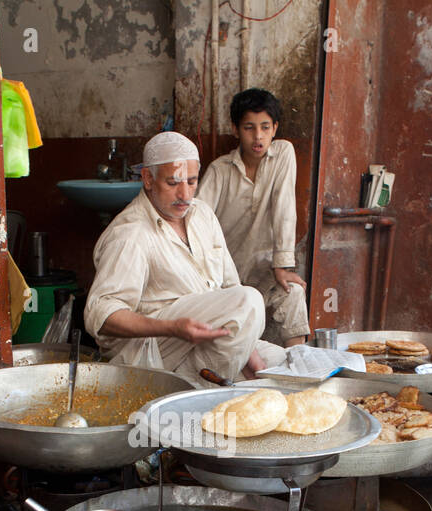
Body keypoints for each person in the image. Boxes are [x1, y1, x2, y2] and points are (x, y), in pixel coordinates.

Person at [84, 131, 284, 387]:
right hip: (151, 356)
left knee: (284, 363)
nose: (185, 194)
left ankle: (206, 385)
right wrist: (171, 327)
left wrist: (247, 351)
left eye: (191, 182)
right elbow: (101, 314)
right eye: (173, 183)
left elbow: (230, 288)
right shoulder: (130, 234)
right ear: (147, 178)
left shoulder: (202, 214)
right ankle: (192, 396)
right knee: (250, 299)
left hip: (202, 344)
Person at [197, 88, 310, 347]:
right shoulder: (219, 170)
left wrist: (282, 264)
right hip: (225, 276)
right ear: (236, 130)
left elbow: (284, 206)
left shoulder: (283, 154)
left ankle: (301, 371)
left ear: (275, 129)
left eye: (265, 127)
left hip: (265, 271)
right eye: (249, 128)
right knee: (232, 342)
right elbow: (197, 222)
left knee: (293, 294)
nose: (258, 136)